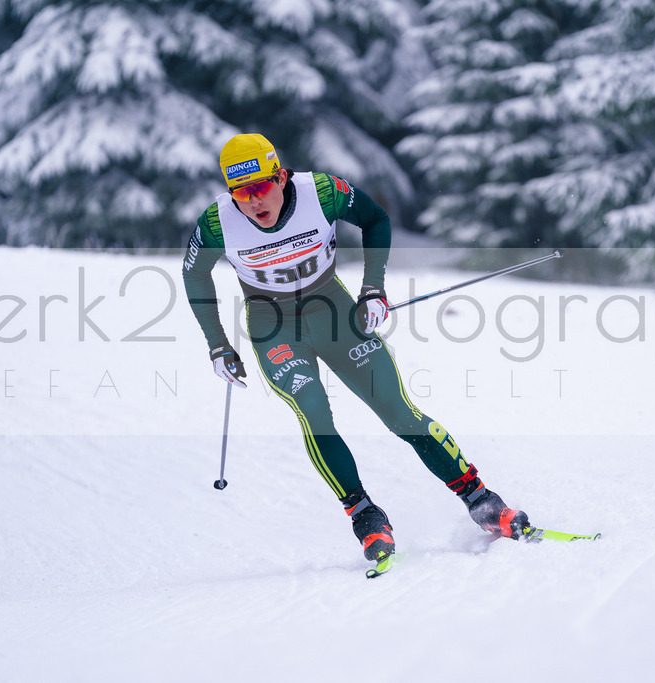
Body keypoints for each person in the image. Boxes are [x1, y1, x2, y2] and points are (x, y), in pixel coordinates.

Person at [182, 133, 530, 563]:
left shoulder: (322, 192)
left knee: (398, 410)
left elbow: (376, 218)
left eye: (260, 187)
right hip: (274, 328)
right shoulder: (217, 222)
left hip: (334, 313)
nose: (253, 202)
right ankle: (365, 516)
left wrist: (372, 290)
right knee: (314, 411)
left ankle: (483, 502)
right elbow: (195, 275)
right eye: (241, 192)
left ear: (281, 176)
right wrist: (217, 344)